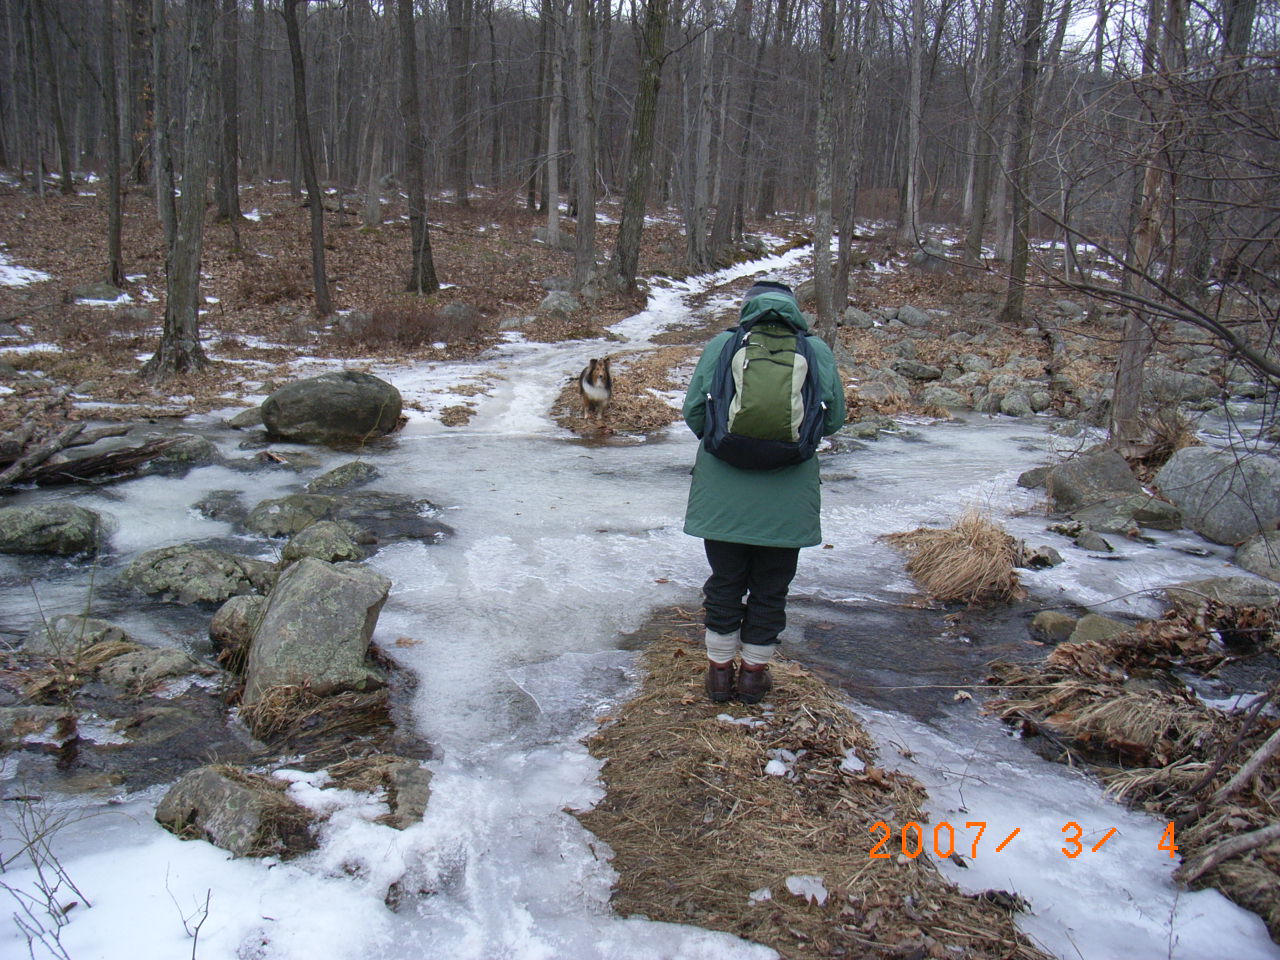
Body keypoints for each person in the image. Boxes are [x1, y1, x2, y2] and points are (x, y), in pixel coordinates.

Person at [682, 280, 846, 704]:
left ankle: (719, 675)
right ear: (795, 310)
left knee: (725, 580)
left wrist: (723, 442)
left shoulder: (723, 345)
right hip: (789, 491)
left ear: (745, 307)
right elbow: (834, 420)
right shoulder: (816, 350)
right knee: (772, 586)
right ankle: (754, 676)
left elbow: (694, 411)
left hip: (723, 488)